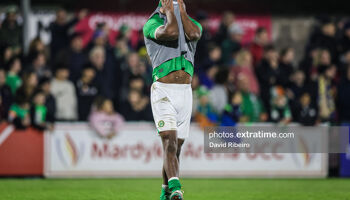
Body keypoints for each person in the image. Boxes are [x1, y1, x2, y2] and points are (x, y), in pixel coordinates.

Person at [143, 0, 202, 199]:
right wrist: (170, 13)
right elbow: (172, 33)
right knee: (169, 140)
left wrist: (181, 12)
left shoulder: (191, 24)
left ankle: (165, 191)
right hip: (163, 91)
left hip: (185, 91)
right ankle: (176, 188)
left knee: (176, 148)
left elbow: (194, 34)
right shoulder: (151, 24)